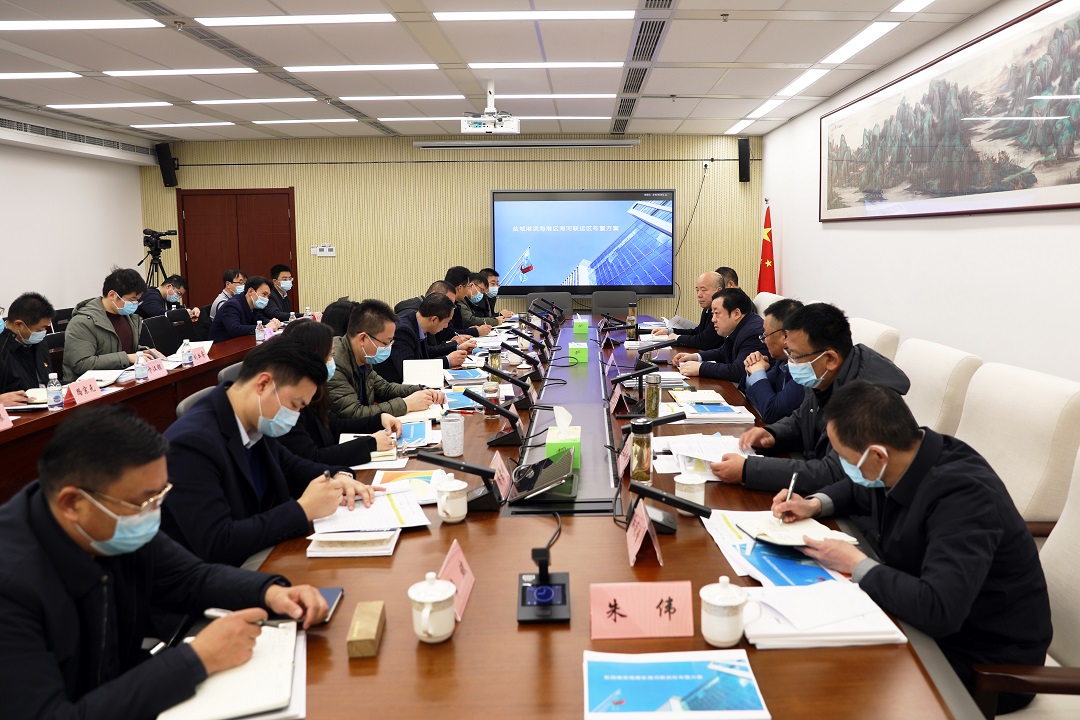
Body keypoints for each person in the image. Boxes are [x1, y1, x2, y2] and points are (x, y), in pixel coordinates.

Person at [0, 405, 329, 720]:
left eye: (160, 495)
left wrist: (270, 592)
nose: (153, 513)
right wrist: (197, 659)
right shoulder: (12, 585)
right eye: (143, 502)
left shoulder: (108, 524)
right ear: (73, 503)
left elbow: (192, 578)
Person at [772, 381, 1051, 715]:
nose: (845, 466)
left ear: (878, 455)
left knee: (825, 681)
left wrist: (857, 563)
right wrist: (815, 504)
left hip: (986, 664)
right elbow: (861, 487)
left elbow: (939, 609)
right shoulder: (911, 455)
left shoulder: (965, 497)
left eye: (845, 458)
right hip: (925, 626)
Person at [163, 337, 377, 566]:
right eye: (294, 405)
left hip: (265, 550)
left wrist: (338, 476)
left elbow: (290, 466)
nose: (295, 416)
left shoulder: (252, 417)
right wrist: (302, 510)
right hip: (225, 571)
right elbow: (218, 542)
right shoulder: (191, 443)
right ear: (263, 384)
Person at [710, 303, 910, 493]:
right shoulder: (824, 374)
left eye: (795, 356)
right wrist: (772, 434)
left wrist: (748, 470)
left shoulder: (869, 399)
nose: (790, 363)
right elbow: (802, 418)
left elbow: (834, 472)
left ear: (830, 358)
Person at [278, 320, 402, 466]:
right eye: (330, 355)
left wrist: (378, 420)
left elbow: (335, 426)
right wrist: (370, 443)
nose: (333, 362)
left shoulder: (316, 390)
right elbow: (312, 458)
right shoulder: (288, 403)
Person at [327, 299, 444, 421]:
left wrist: (422, 390)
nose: (389, 348)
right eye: (386, 343)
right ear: (362, 339)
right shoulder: (334, 363)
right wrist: (407, 404)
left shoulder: (362, 356)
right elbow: (355, 413)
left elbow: (385, 389)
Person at [62, 267, 162, 382]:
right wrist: (127, 358)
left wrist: (141, 353)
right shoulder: (82, 322)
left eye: (137, 300)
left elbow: (120, 347)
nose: (135, 304)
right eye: (132, 299)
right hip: (93, 386)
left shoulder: (128, 317)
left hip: (124, 379)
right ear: (112, 295)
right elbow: (81, 363)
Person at [672, 288, 767, 383]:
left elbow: (739, 371)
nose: (713, 319)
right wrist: (695, 356)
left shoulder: (754, 333)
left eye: (717, 313)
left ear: (736, 313)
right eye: (713, 314)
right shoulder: (741, 326)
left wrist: (701, 368)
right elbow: (723, 352)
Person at [382, 293, 469, 384]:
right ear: (434, 320)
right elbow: (408, 370)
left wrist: (456, 346)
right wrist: (447, 361)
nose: (446, 326)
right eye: (446, 322)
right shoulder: (403, 331)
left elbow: (427, 352)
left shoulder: (417, 322)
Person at [742, 298, 805, 424]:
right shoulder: (782, 359)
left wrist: (758, 372)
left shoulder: (806, 368)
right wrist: (753, 368)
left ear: (785, 336)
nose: (763, 340)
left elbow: (771, 412)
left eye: (766, 335)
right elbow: (751, 392)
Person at [0, 292, 55, 402]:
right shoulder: (3, 348)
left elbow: (47, 379)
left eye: (45, 328)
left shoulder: (38, 340)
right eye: (39, 330)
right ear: (19, 325)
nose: (43, 333)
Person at [650, 271, 724, 350]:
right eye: (697, 290)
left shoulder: (722, 312)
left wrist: (677, 338)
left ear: (718, 291)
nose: (699, 295)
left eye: (703, 290)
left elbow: (704, 342)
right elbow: (697, 332)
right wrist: (670, 331)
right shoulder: (707, 309)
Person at [208, 275, 282, 342]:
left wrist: (272, 322)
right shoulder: (232, 305)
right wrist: (264, 327)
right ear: (250, 291)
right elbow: (234, 329)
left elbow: (260, 319)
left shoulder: (254, 305)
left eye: (268, 296)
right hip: (222, 347)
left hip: (241, 343)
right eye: (264, 294)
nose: (266, 299)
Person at [445, 266, 491, 336]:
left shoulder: (455, 303)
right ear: (460, 288)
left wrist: (469, 328)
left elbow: (457, 327)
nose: (468, 290)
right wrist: (475, 331)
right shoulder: (444, 305)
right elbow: (449, 334)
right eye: (468, 287)